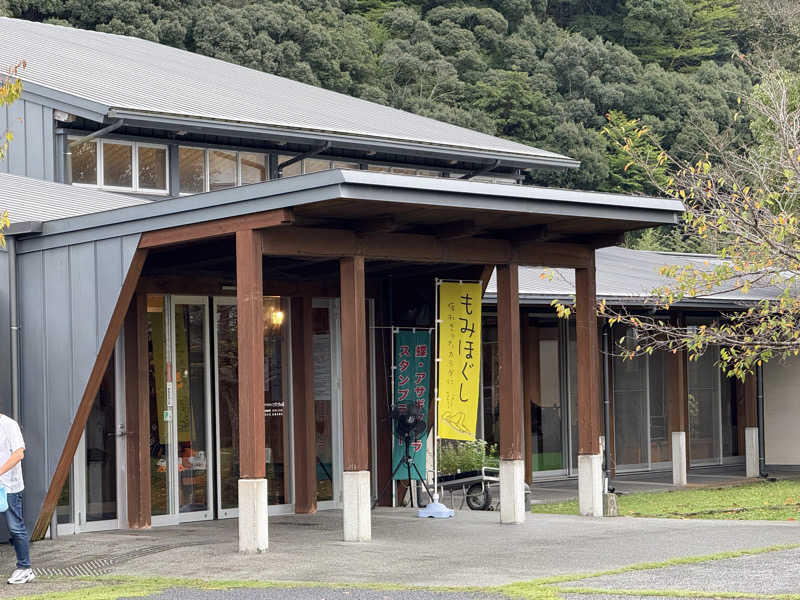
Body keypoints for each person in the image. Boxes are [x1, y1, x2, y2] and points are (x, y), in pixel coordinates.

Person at [0, 414, 33, 584]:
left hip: (9, 487)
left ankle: (25, 568)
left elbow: (19, 454)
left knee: (15, 527)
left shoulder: (9, 425)